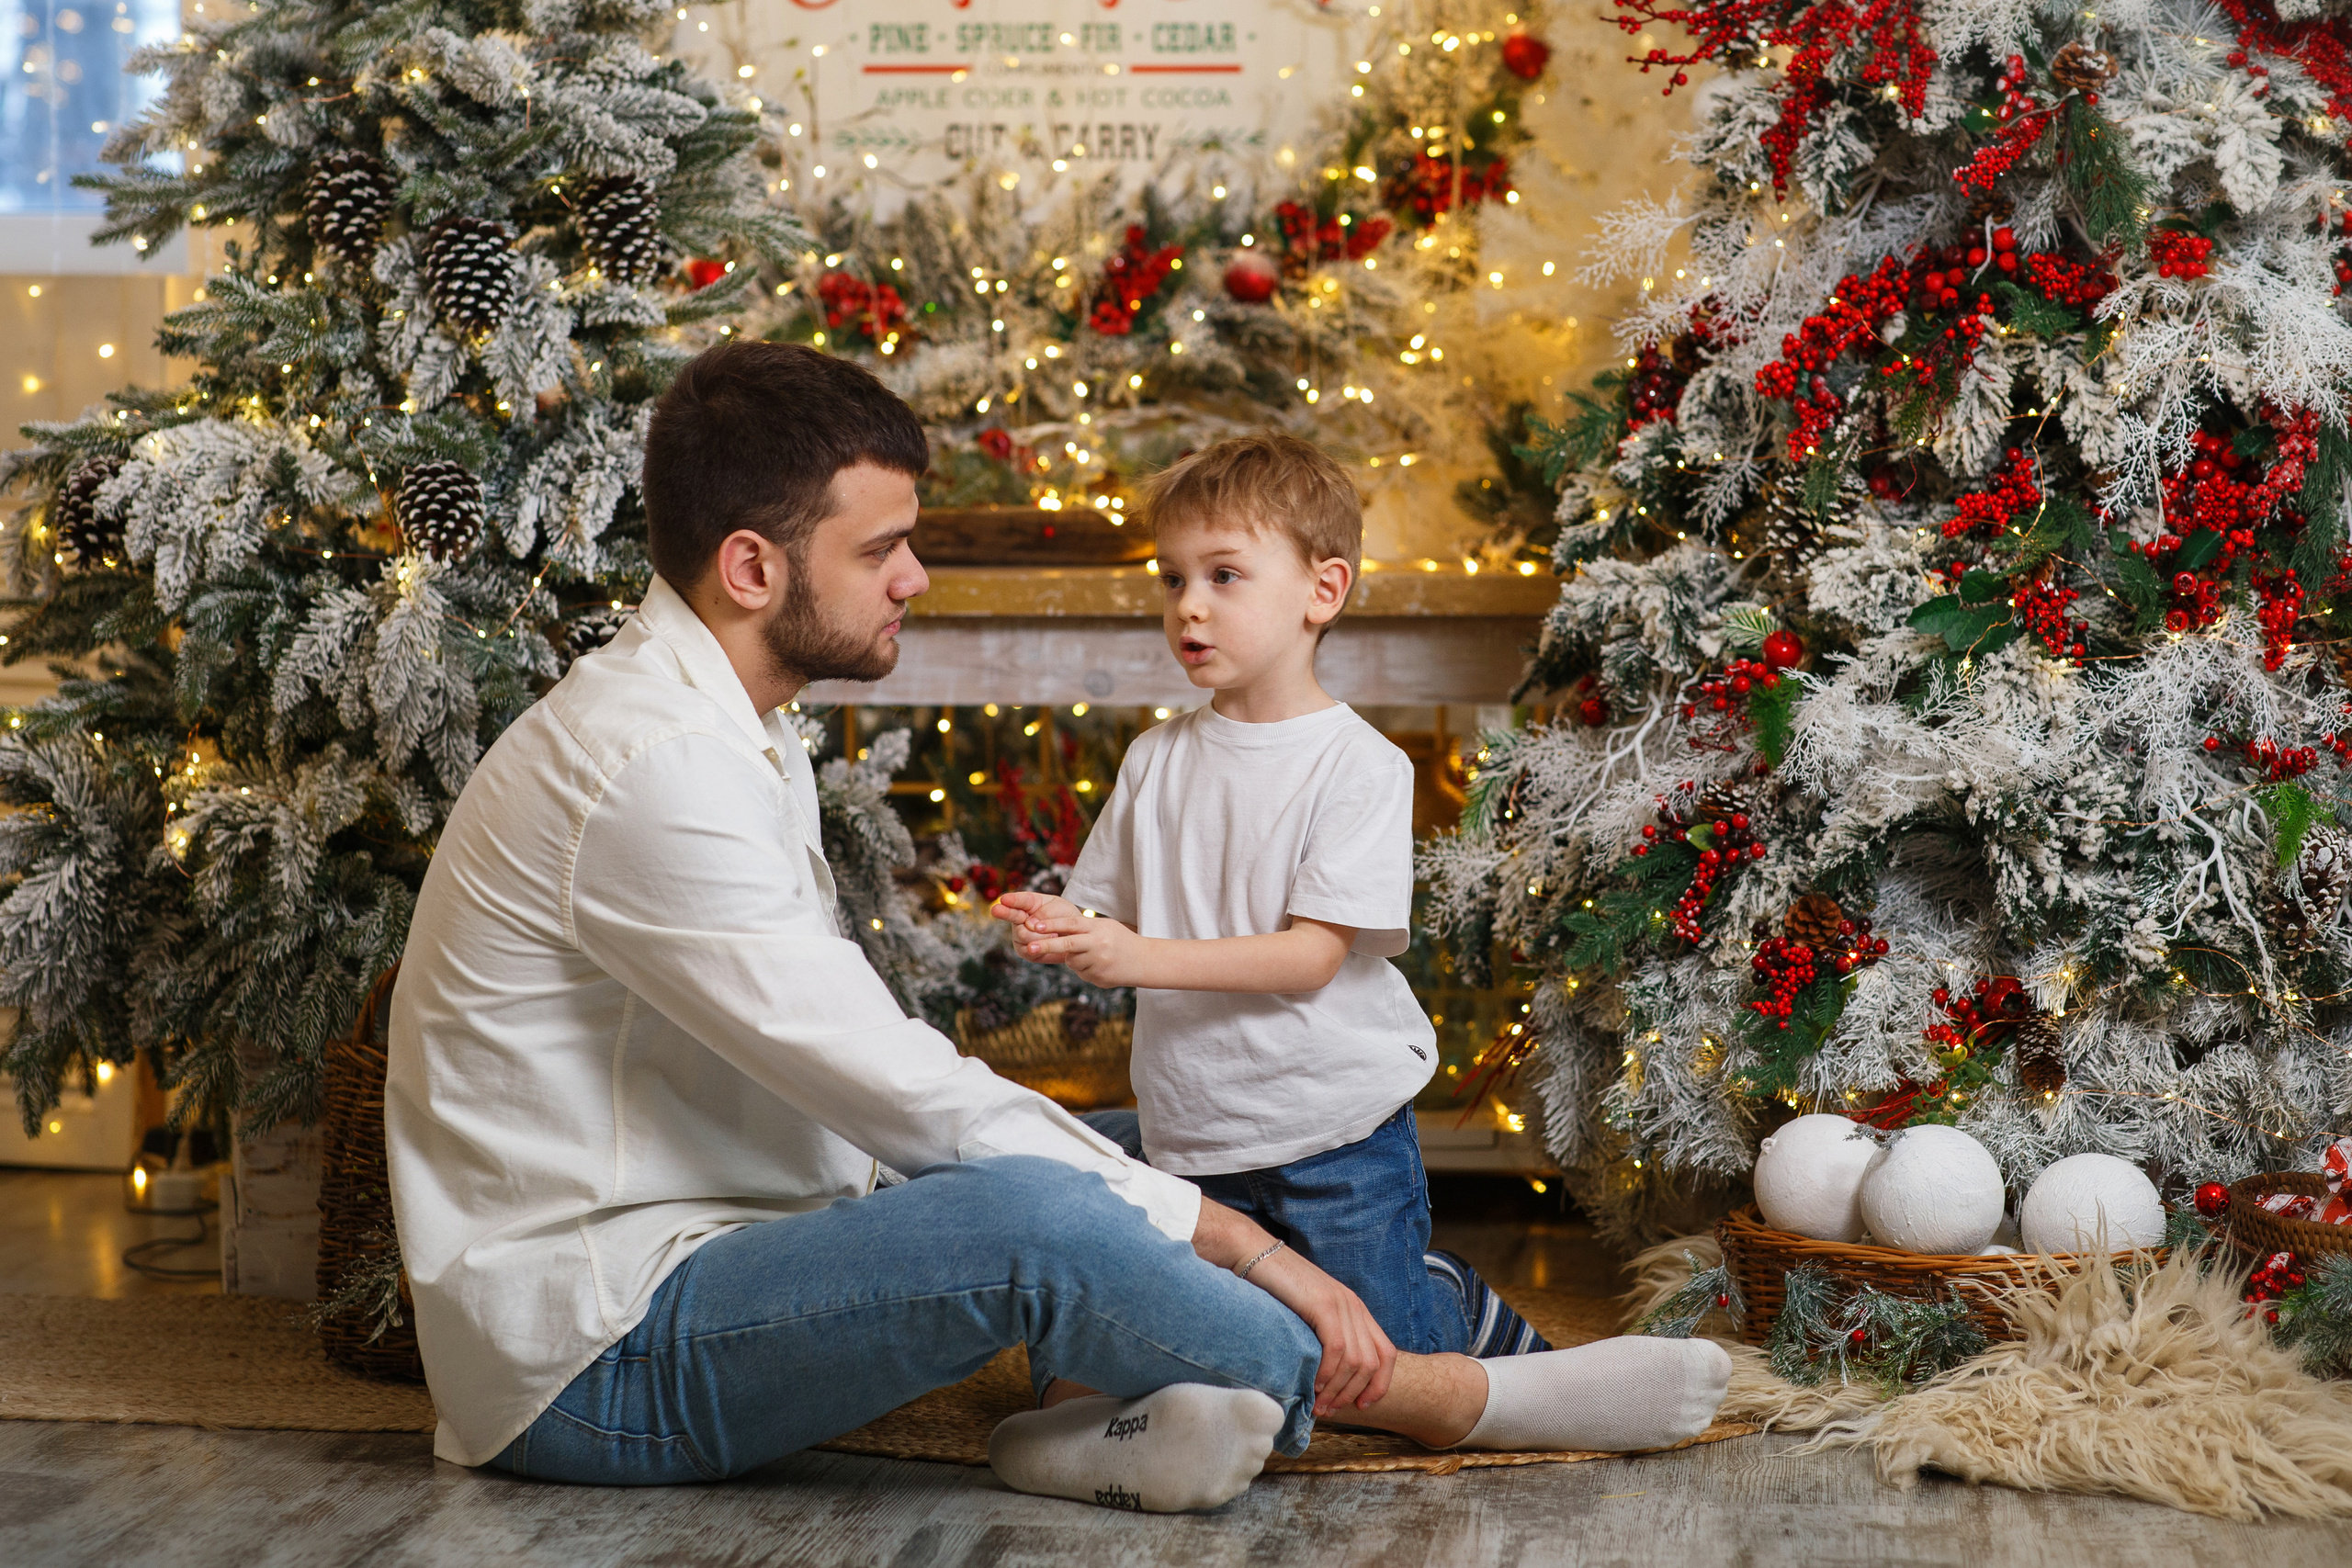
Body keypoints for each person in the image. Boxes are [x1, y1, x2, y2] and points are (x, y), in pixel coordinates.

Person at [384, 341, 1730, 1514]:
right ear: (751, 566)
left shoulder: (730, 726)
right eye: (879, 548)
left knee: (1192, 1137)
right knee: (1052, 1213)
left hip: (728, 1226)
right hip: (602, 1347)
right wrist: (1248, 1248)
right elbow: (893, 1086)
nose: (915, 575)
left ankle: (1088, 1428)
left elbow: (881, 1095)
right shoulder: (654, 769)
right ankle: (1431, 1388)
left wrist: (1195, 1195)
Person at [993, 433, 1544, 1362]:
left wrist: (1140, 958)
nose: (1188, 607)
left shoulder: (1355, 764)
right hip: (1192, 1126)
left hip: (1335, 1129)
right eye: (1172, 580)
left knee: (1387, 1360)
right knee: (1226, 1347)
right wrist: (1065, 927)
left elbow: (1310, 955)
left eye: (1224, 576)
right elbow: (1107, 915)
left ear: (1321, 592)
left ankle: (1452, 1306)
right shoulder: (1154, 760)